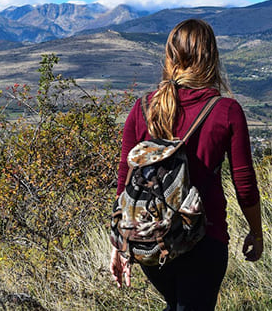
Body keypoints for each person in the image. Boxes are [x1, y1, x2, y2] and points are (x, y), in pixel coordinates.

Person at [110, 18, 263, 310]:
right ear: (211, 57)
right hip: (205, 236)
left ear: (170, 57)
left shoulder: (143, 107)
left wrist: (121, 243)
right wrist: (256, 233)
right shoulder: (226, 110)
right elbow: (245, 184)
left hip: (151, 239)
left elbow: (125, 181)